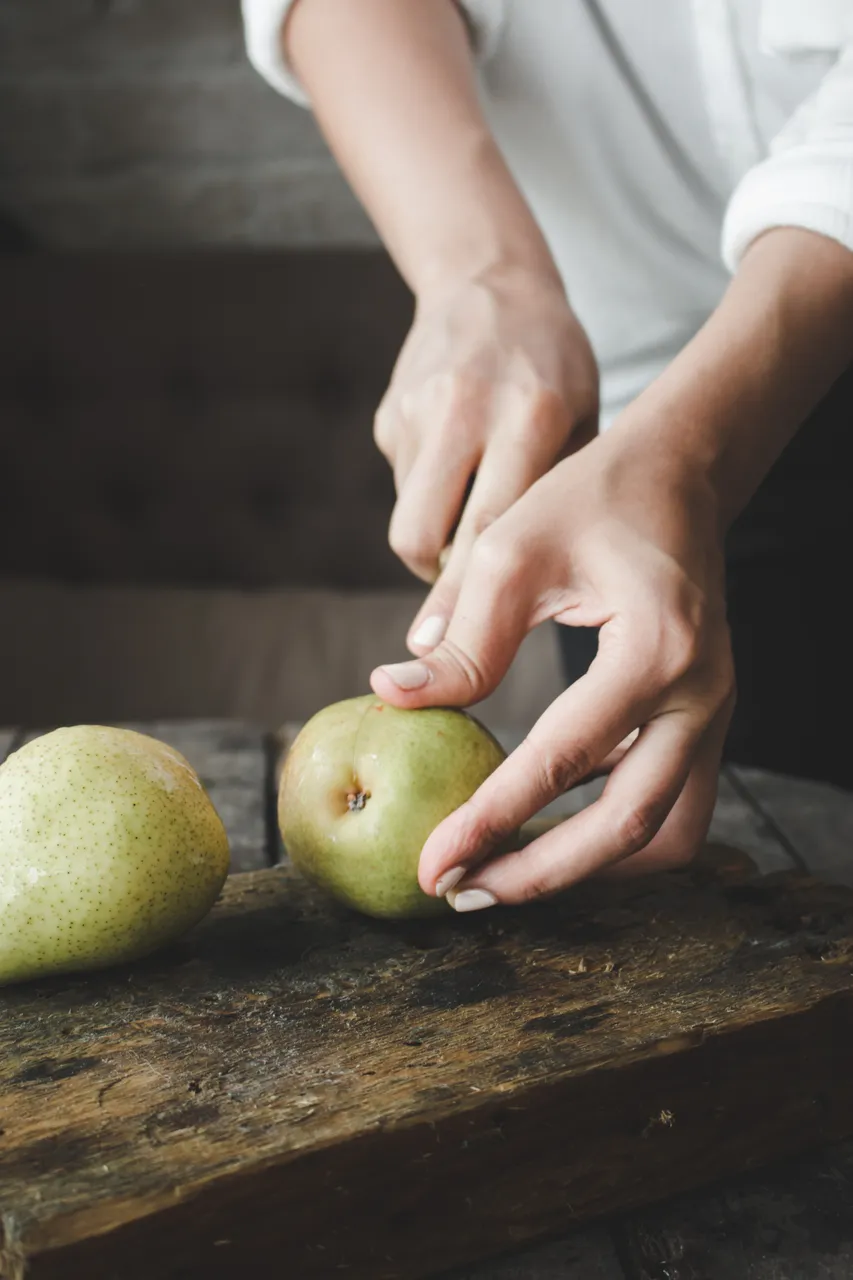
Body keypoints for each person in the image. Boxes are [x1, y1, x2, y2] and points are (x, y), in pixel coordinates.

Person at [243, 0, 853, 911]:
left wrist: (685, 451)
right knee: (744, 886)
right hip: (611, 458)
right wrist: (481, 276)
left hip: (670, 448)